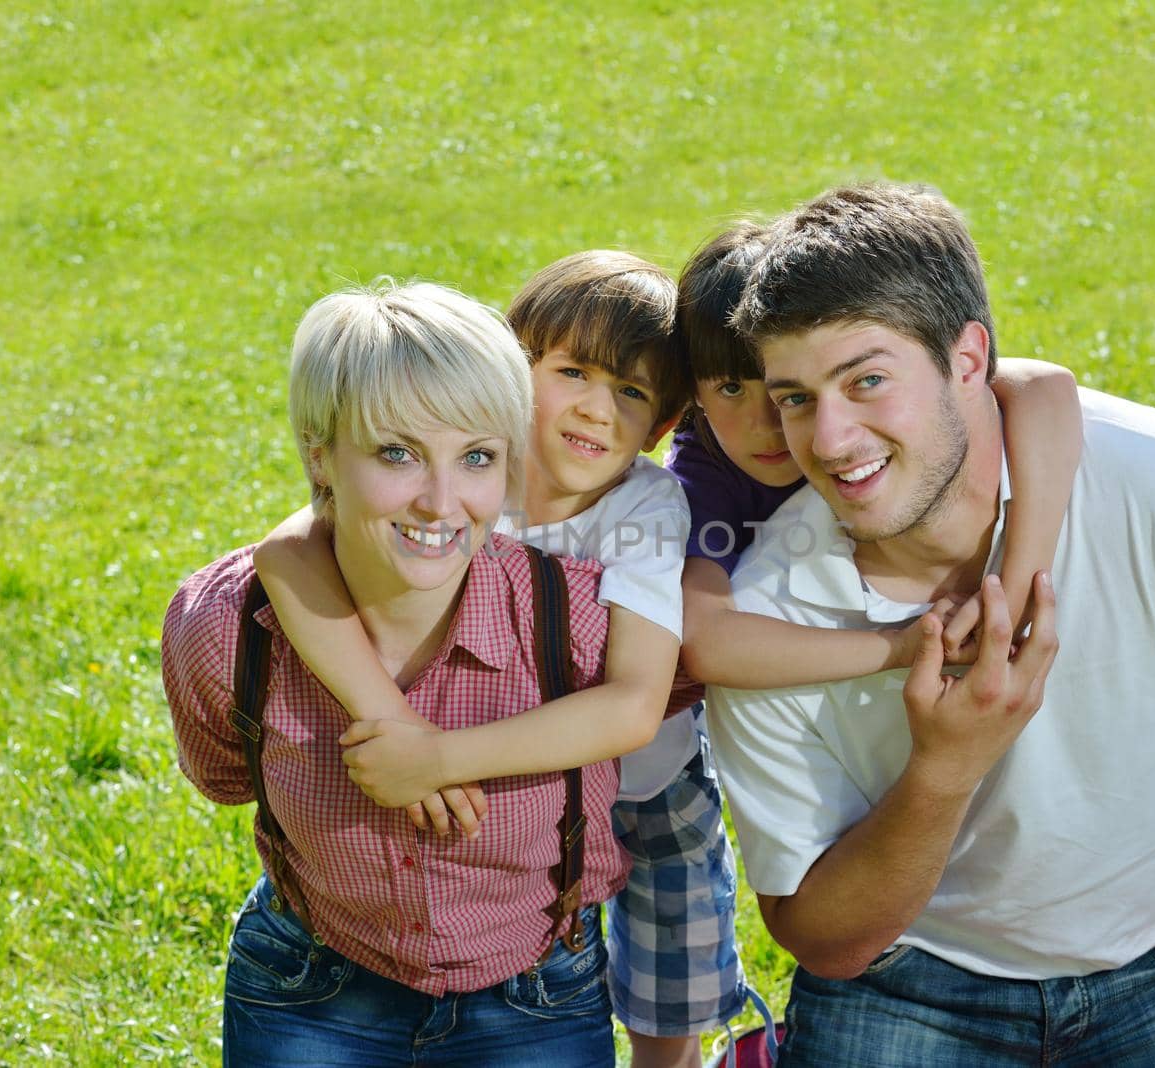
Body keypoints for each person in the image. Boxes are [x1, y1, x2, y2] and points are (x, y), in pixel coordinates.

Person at [706, 182, 1155, 1067]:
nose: (828, 441)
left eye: (866, 380)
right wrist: (946, 769)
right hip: (909, 979)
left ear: (969, 359)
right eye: (795, 397)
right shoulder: (769, 613)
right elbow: (823, 940)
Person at [252, 251, 734, 1068]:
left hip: (649, 785)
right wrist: (393, 725)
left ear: (658, 428)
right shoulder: (466, 474)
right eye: (573, 371)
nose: (595, 409)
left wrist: (437, 757)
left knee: (670, 1003)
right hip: (510, 796)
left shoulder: (644, 505)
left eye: (631, 392)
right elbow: (287, 552)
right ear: (509, 371)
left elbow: (631, 708)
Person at [162, 281, 630, 1066]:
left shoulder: (580, 624)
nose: (441, 502)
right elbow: (224, 776)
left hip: (535, 997)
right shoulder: (227, 627)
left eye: (476, 456)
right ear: (319, 451)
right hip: (310, 991)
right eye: (397, 454)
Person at [668, 221, 1082, 689]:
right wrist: (901, 646)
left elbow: (1045, 387)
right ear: (692, 396)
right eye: (730, 388)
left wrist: (1018, 585)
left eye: (784, 394)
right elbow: (708, 642)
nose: (771, 423)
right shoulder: (699, 482)